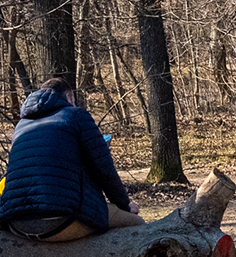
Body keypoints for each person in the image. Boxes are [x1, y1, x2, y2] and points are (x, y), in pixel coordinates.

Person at [0, 77, 142, 242]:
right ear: (68, 97)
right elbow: (105, 171)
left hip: (15, 223)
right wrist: (125, 206)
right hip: (61, 220)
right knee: (136, 224)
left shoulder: (21, 126)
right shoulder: (76, 115)